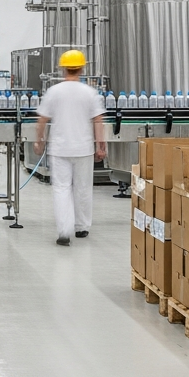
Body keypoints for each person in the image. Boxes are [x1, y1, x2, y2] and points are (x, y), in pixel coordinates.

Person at [35, 50, 107, 246]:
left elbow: (42, 120)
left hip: (60, 149)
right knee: (83, 188)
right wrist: (101, 145)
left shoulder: (54, 91)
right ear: (82, 69)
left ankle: (64, 231)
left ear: (63, 69)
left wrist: (39, 141)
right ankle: (82, 227)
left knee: (61, 188)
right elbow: (98, 121)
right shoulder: (90, 93)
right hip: (83, 148)